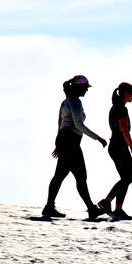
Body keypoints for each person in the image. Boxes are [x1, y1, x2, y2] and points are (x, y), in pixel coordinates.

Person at [43, 75, 109, 220]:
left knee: (60, 175)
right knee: (80, 177)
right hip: (71, 142)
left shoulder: (65, 102)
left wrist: (58, 143)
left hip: (64, 140)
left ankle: (49, 207)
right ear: (79, 87)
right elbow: (79, 125)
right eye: (85, 87)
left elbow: (60, 124)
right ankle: (91, 209)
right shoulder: (76, 102)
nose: (86, 90)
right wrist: (98, 138)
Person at [97, 82, 132, 220]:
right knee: (128, 177)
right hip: (119, 147)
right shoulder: (120, 109)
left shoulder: (115, 108)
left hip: (115, 146)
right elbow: (123, 129)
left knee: (126, 178)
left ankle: (118, 208)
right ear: (126, 93)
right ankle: (107, 201)